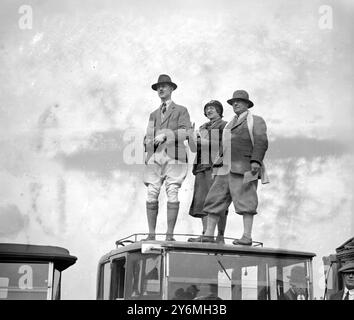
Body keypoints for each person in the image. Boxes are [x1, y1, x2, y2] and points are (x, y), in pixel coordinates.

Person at [201, 90, 269, 245]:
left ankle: (247, 236)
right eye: (233, 102)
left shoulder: (256, 120)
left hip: (246, 167)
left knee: (247, 201)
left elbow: (261, 141)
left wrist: (256, 161)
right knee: (214, 199)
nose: (235, 104)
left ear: (247, 104)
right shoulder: (229, 124)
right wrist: (217, 165)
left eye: (239, 101)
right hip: (224, 168)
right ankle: (209, 234)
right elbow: (223, 147)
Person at [143, 74, 192, 241]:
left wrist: (165, 135)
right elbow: (147, 137)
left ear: (171, 89)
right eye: (158, 87)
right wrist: (148, 148)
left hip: (174, 155)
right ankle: (151, 234)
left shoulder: (181, 110)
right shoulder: (153, 114)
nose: (161, 89)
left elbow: (186, 131)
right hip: (156, 157)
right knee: (151, 192)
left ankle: (169, 235)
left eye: (164, 86)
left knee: (172, 191)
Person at [187, 100, 228, 243]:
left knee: (218, 201)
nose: (209, 111)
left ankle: (220, 236)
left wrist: (201, 142)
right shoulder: (202, 127)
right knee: (203, 202)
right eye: (207, 109)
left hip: (216, 167)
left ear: (219, 110)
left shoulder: (224, 125)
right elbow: (194, 148)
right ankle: (206, 235)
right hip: (201, 167)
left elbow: (223, 144)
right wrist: (190, 136)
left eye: (212, 108)